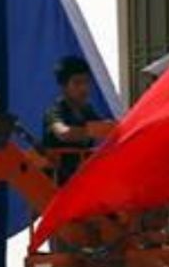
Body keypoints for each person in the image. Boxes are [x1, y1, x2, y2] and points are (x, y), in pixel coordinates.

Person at [42, 55, 115, 184]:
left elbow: (105, 129)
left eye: (86, 82)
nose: (84, 88)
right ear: (64, 87)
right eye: (77, 83)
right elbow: (63, 133)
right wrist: (91, 132)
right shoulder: (54, 112)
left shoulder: (87, 111)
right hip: (57, 183)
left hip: (82, 180)